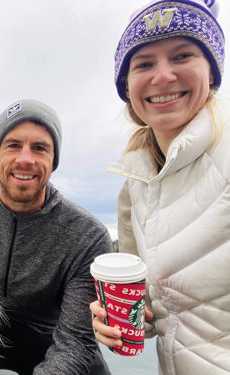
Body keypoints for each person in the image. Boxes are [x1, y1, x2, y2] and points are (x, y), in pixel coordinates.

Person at [90, 0, 229, 374]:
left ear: (212, 72)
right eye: (145, 64)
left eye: (182, 55)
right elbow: (153, 308)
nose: (163, 76)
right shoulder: (136, 183)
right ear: (127, 86)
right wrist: (118, 319)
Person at [0, 99, 113, 374]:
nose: (25, 159)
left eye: (39, 148)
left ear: (53, 161)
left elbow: (75, 343)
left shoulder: (88, 236)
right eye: (13, 145)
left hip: (50, 338)